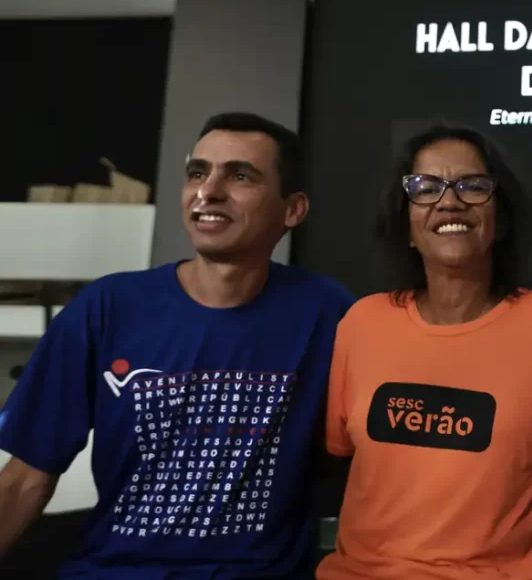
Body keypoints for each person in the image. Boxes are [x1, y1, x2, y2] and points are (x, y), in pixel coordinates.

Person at [0, 112, 355, 578]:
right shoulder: (107, 307)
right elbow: (25, 477)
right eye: (198, 173)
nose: (209, 191)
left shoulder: (330, 313)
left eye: (240, 176)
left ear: (293, 210)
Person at [316, 123, 532, 580]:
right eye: (426, 188)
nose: (449, 201)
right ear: (406, 225)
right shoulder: (362, 324)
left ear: (500, 219)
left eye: (472, 185)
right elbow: (339, 452)